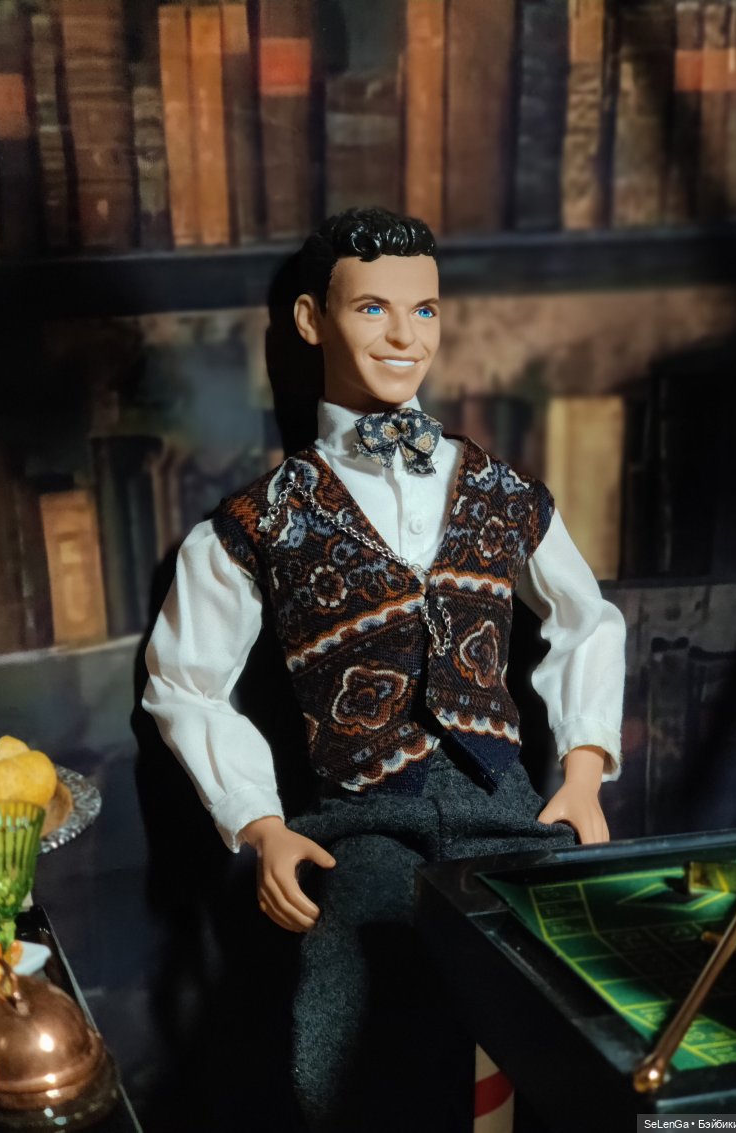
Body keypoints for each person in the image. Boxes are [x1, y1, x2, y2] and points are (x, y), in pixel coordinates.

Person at [143, 207, 626, 1132]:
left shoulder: (499, 490)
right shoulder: (260, 519)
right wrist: (260, 822)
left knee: (567, 1007)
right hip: (363, 817)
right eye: (373, 308)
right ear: (311, 320)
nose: (405, 335)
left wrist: (582, 770)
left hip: (502, 807)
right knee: (346, 1025)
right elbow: (183, 681)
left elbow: (586, 618)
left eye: (425, 310)